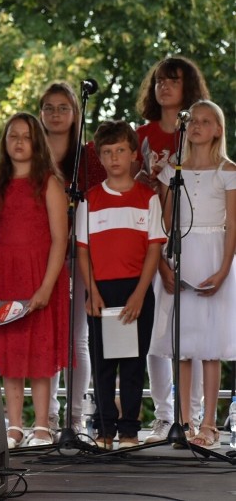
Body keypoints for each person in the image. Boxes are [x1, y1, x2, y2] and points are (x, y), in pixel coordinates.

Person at [149, 101, 236, 447]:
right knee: (182, 346)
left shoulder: (228, 170)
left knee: (210, 345)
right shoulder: (175, 170)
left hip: (214, 254)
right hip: (180, 255)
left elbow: (232, 226)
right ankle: (184, 422)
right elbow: (168, 222)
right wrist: (161, 182)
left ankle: (210, 425)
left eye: (205, 121)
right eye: (193, 121)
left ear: (218, 129)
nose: (197, 126)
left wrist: (225, 268)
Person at [0, 112, 69, 448]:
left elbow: (60, 238)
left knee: (39, 354)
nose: (18, 142)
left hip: (38, 276)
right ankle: (14, 426)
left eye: (26, 136)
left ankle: (42, 424)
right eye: (12, 135)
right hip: (4, 277)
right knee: (10, 354)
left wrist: (46, 287)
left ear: (37, 143)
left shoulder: (49, 183)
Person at [76, 121, 165, 449]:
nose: (114, 158)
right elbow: (83, 250)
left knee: (132, 362)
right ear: (100, 157)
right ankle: (104, 430)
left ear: (133, 155)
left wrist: (141, 294)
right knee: (102, 363)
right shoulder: (89, 200)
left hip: (136, 289)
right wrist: (93, 291)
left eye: (121, 151)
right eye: (107, 152)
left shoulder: (147, 198)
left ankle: (129, 431)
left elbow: (154, 249)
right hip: (101, 289)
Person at [135, 56, 207, 444]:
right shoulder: (141, 133)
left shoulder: (195, 132)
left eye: (174, 81)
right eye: (160, 80)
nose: (164, 86)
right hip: (144, 239)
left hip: (191, 238)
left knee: (190, 332)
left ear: (188, 87)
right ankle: (165, 417)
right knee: (155, 333)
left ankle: (191, 418)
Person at [38, 82, 104, 435]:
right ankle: (46, 419)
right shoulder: (32, 156)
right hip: (40, 254)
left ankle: (74, 418)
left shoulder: (88, 156)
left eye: (64, 107)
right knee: (47, 335)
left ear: (76, 113)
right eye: (49, 107)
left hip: (79, 253)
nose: (56, 114)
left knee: (77, 337)